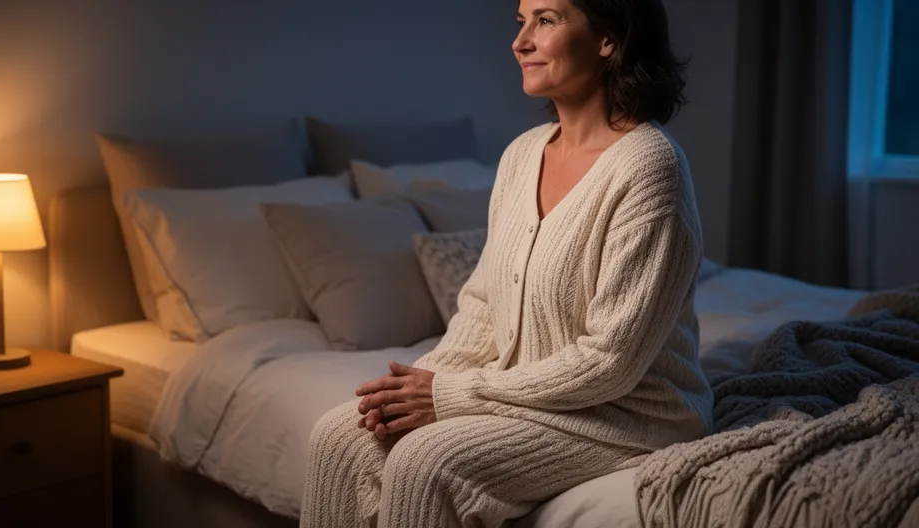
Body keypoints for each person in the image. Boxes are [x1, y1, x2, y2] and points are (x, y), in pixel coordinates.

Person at [300, 0, 713, 526]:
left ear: (608, 38)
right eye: (521, 22)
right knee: (337, 438)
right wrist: (419, 385)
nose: (520, 43)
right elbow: (481, 306)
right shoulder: (523, 153)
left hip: (627, 412)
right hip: (527, 394)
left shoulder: (651, 166)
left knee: (426, 463)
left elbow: (609, 363)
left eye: (546, 20)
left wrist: (449, 396)